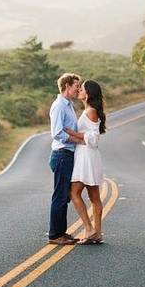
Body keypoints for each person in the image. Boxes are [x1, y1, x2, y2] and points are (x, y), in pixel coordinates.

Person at [47, 73, 84, 245]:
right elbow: (57, 133)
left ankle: (61, 232)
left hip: (68, 154)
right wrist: (78, 139)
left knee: (65, 196)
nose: (79, 89)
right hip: (62, 155)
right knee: (60, 196)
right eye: (76, 85)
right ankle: (55, 235)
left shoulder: (68, 105)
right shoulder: (59, 106)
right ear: (67, 86)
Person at [69, 79, 107, 244]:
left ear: (88, 94)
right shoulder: (88, 110)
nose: (79, 91)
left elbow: (94, 139)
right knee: (94, 197)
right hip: (85, 154)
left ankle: (90, 230)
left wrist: (74, 134)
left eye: (82, 89)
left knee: (74, 193)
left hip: (87, 157)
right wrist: (73, 138)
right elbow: (88, 138)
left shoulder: (90, 111)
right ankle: (96, 233)